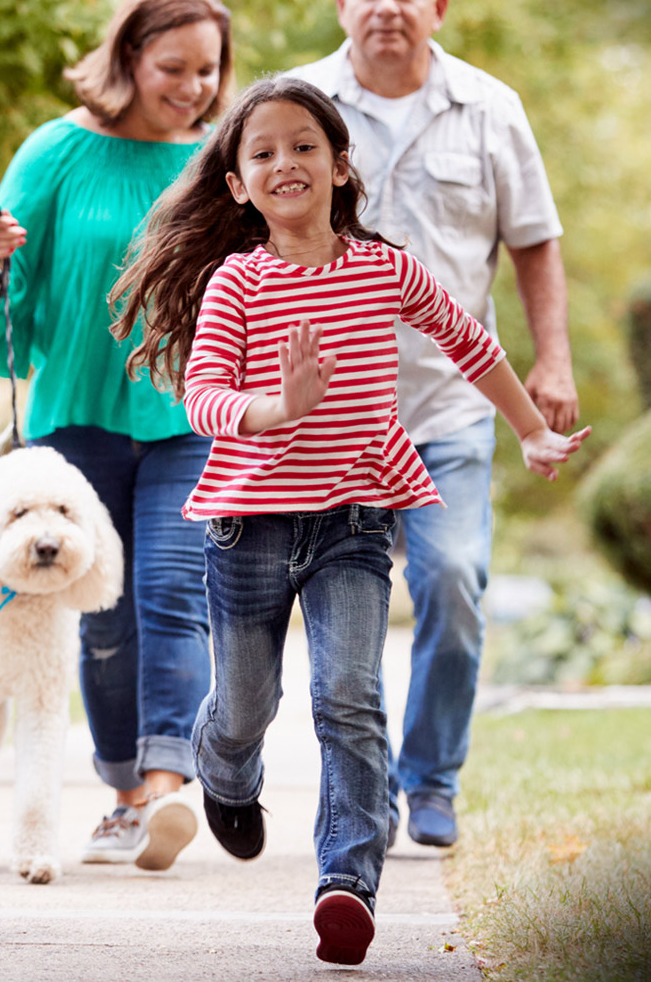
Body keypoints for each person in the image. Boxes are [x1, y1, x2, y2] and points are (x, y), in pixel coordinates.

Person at [111, 75, 588, 965]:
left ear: (338, 165)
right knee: (245, 704)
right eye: (262, 153)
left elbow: (470, 341)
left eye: (303, 146)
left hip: (354, 521)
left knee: (349, 696)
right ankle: (227, 774)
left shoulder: (384, 268)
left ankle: (346, 882)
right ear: (238, 186)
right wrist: (274, 408)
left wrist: (529, 430)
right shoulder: (236, 283)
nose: (285, 162)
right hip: (249, 524)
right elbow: (204, 395)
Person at [0, 0, 234, 870]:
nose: (195, 86)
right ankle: (125, 793)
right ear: (129, 57)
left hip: (186, 418)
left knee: (173, 593)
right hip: (75, 424)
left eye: (209, 70)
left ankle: (168, 787)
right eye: (175, 66)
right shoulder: (55, 151)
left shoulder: (216, 165)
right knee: (103, 619)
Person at [288, 0, 579, 849]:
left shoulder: (492, 108)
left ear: (437, 6)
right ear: (342, 3)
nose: (386, 6)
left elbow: (533, 238)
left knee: (453, 580)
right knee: (335, 618)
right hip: (329, 420)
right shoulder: (299, 109)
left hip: (454, 406)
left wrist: (552, 359)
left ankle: (433, 778)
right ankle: (360, 794)